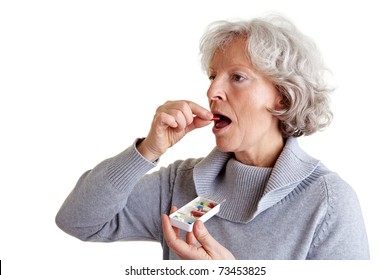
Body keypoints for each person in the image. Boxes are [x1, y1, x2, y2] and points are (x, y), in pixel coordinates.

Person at [56, 15, 370, 260]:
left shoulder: (328, 202)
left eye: (237, 77)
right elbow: (77, 221)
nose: (212, 91)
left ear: (283, 99)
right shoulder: (181, 182)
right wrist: (147, 151)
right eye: (212, 76)